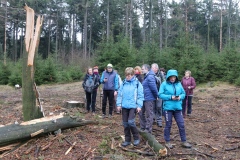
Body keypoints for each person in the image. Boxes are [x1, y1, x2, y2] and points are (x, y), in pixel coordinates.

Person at [159, 69, 192, 149]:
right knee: (168, 125)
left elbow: (183, 93)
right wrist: (170, 97)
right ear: (168, 77)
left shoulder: (178, 84)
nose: (172, 78)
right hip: (168, 108)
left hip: (178, 108)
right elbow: (160, 94)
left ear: (176, 77)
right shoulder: (164, 84)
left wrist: (180, 97)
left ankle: (184, 141)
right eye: (171, 77)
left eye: (174, 77)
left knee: (181, 124)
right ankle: (167, 141)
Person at [117, 67, 144, 147]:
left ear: (132, 75)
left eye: (129, 75)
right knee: (125, 123)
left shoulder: (137, 84)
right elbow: (119, 94)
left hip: (133, 106)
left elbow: (140, 95)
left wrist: (139, 106)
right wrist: (119, 104)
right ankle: (127, 140)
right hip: (125, 106)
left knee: (131, 122)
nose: (127, 77)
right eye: (126, 75)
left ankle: (136, 138)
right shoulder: (124, 83)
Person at [139, 64, 158, 133]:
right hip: (144, 98)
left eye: (143, 69)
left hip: (149, 98)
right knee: (141, 112)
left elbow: (154, 88)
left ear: (147, 69)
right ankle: (143, 127)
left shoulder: (150, 77)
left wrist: (157, 96)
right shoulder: (146, 76)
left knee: (149, 114)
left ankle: (148, 129)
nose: (141, 70)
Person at [151, 63, 163, 127]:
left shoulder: (160, 75)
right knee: (152, 107)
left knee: (159, 107)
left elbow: (163, 84)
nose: (153, 69)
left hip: (159, 93)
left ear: (157, 69)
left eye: (154, 68)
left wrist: (160, 93)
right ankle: (152, 119)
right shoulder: (149, 75)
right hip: (151, 94)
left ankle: (159, 120)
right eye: (152, 68)